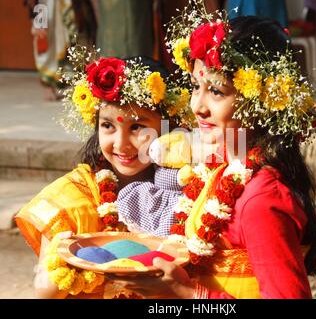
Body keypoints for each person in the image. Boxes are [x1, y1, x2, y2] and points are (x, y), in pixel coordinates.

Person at [110, 2, 316, 299]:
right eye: (195, 87)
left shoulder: (261, 200)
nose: (198, 106)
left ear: (258, 101)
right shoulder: (219, 164)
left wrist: (189, 294)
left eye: (216, 91)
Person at [14, 51, 190, 298]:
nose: (121, 144)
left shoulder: (184, 190)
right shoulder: (72, 199)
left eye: (137, 127)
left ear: (167, 127)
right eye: (108, 126)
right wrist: (62, 258)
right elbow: (43, 293)